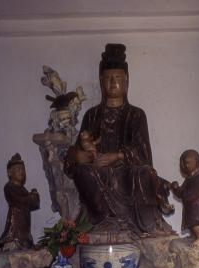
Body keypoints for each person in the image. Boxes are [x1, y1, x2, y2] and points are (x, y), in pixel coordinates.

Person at [64, 43, 174, 238]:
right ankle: (103, 219)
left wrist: (116, 156)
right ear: (100, 81)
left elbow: (143, 153)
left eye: (117, 78)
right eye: (108, 78)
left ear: (126, 80)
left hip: (127, 173)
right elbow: (72, 156)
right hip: (98, 172)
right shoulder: (92, 115)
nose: (113, 82)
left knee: (145, 173)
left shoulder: (136, 115)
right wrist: (81, 156)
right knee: (82, 173)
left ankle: (139, 223)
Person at [0, 153, 40, 251]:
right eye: (18, 169)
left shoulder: (23, 189)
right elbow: (19, 201)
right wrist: (31, 196)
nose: (22, 172)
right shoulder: (9, 187)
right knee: (17, 242)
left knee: (27, 242)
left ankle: (25, 242)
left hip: (25, 225)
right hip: (15, 226)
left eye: (23, 169)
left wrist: (34, 195)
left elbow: (34, 205)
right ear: (9, 172)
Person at [170, 149, 199, 247]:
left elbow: (191, 194)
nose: (184, 166)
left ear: (196, 162)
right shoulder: (188, 178)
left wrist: (182, 192)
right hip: (189, 206)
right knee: (190, 223)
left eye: (187, 163)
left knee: (195, 222)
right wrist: (175, 188)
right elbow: (181, 193)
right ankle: (194, 236)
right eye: (182, 164)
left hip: (196, 205)